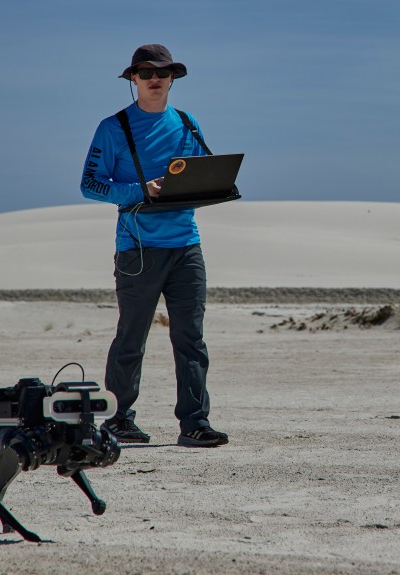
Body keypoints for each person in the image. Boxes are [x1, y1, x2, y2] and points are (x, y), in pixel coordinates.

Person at [79, 44, 227, 447]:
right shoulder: (113, 128)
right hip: (137, 249)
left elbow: (200, 173)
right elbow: (90, 184)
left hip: (186, 245)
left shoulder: (187, 122)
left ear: (173, 78)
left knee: (191, 338)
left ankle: (195, 423)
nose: (154, 79)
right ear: (133, 80)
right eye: (145, 73)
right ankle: (118, 420)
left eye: (162, 72)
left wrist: (210, 184)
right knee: (131, 336)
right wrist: (138, 189)